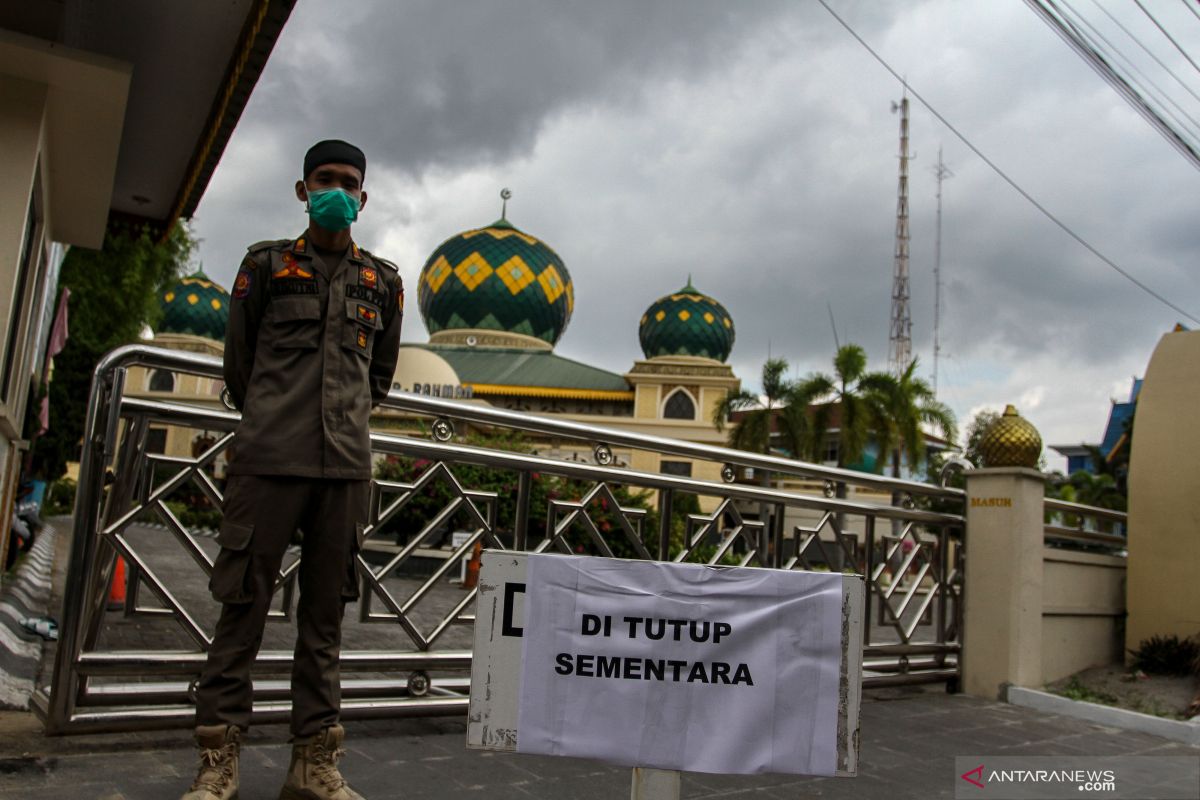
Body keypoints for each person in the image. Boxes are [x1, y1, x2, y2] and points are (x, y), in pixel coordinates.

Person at [182, 140, 402, 800]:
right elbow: (239, 365)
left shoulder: (382, 281)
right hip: (268, 463)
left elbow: (379, 376)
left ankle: (314, 766)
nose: (338, 191)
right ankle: (217, 763)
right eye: (325, 180)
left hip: (344, 471)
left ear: (362, 199)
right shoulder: (267, 265)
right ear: (303, 190)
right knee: (240, 615)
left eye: (349, 183)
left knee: (325, 625)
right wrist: (278, 418)